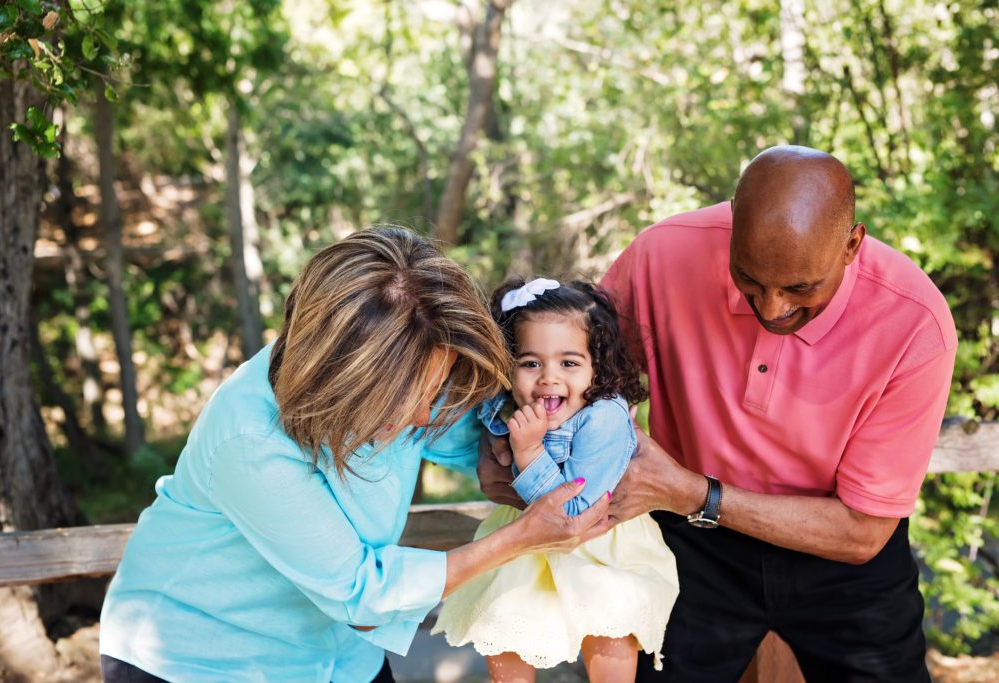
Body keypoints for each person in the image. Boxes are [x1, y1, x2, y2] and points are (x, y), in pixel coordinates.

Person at [480, 146, 957, 682]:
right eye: (749, 279)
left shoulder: (917, 322)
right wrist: (500, 444)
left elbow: (863, 532)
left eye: (800, 288)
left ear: (852, 245)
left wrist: (692, 492)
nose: (772, 308)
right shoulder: (663, 256)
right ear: (731, 222)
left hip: (836, 550)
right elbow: (573, 366)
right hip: (688, 542)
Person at [98, 228, 614, 683]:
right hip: (199, 659)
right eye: (409, 401)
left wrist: (500, 453)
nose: (424, 417)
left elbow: (476, 432)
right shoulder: (250, 440)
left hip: (343, 658)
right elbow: (363, 596)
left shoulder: (408, 361)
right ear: (345, 386)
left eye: (435, 388)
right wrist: (521, 538)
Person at [433, 278, 679, 683]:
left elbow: (571, 514)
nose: (548, 378)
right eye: (531, 363)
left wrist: (527, 452)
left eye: (569, 363)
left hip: (601, 545)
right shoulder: (507, 402)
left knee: (609, 634)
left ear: (597, 365)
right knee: (506, 624)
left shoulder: (604, 418)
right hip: (522, 539)